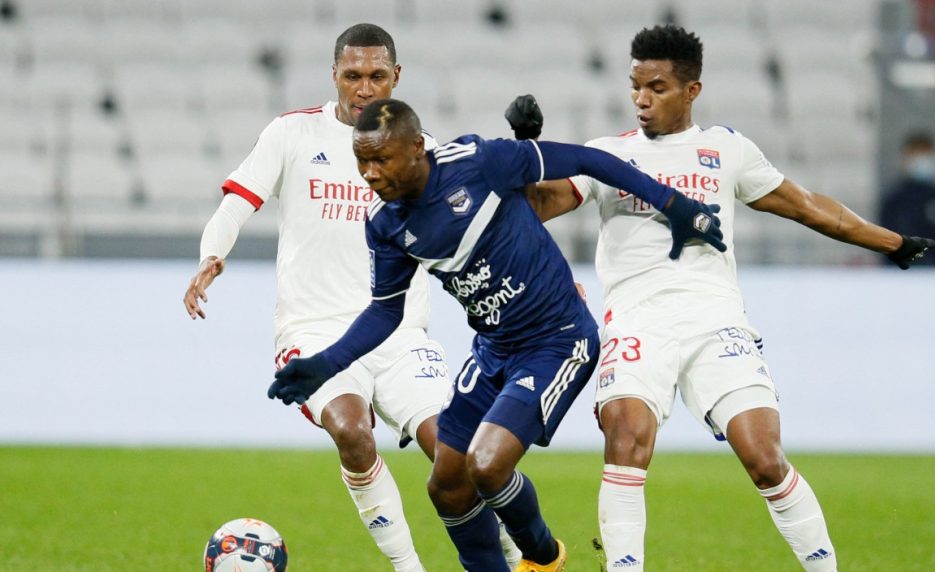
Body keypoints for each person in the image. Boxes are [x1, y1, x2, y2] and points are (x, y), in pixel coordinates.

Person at [505, 25, 935, 572]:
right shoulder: (605, 155)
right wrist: (526, 151)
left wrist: (891, 242)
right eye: (635, 86)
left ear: (692, 90)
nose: (641, 99)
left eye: (656, 88)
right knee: (626, 436)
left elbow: (807, 205)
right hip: (637, 322)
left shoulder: (726, 150)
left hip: (715, 320)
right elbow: (537, 208)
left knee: (764, 457)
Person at [266, 98, 725, 572]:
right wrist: (325, 364)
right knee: (446, 485)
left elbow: (590, 160)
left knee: (485, 465)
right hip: (492, 351)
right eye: (362, 160)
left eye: (380, 159)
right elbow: (385, 312)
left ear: (416, 149)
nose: (369, 173)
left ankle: (543, 558)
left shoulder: (479, 162)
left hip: (557, 339)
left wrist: (673, 204)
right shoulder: (386, 226)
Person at [181, 24, 526, 571]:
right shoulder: (292, 135)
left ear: (396, 78)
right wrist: (211, 254)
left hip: (401, 332)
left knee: (458, 455)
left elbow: (486, 227)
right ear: (334, 76)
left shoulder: (423, 152)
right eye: (352, 76)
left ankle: (515, 554)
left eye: (376, 76)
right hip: (314, 331)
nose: (364, 88)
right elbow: (236, 203)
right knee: (352, 431)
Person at [880, 131, 935, 266]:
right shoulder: (894, 201)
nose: (923, 160)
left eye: (926, 154)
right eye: (917, 154)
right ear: (905, 158)